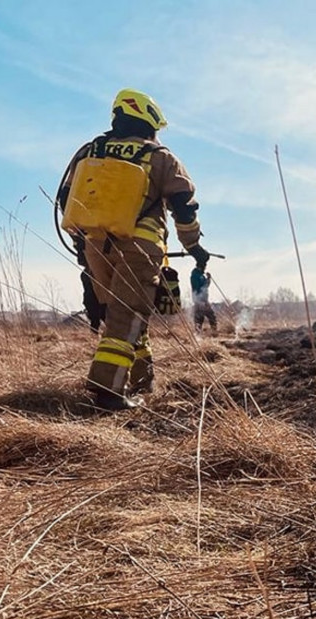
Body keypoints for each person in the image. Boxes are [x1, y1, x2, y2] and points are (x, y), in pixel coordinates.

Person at [58, 88, 210, 410]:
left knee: (124, 314)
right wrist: (195, 247)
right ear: (149, 119)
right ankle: (107, 392)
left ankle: (142, 381)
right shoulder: (160, 157)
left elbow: (66, 199)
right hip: (140, 246)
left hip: (94, 244)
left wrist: (82, 246)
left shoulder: (89, 152)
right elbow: (184, 207)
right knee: (127, 315)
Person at [191, 264, 217, 332]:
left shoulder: (201, 275)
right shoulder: (195, 276)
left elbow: (205, 285)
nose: (205, 269)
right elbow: (195, 289)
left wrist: (208, 278)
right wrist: (198, 301)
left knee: (211, 316)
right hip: (199, 299)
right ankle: (198, 335)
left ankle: (214, 332)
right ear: (200, 267)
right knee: (200, 317)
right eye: (204, 267)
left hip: (204, 299)